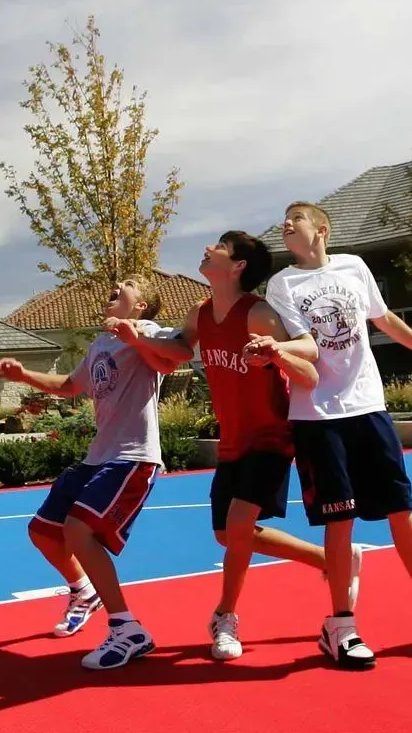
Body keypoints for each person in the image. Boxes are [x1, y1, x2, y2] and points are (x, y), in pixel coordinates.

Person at [249, 201, 412, 669]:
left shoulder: (354, 266)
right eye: (283, 220)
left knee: (400, 508)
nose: (286, 225)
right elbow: (306, 342)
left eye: (296, 219)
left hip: (368, 406)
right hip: (318, 417)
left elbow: (384, 319)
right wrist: (279, 347)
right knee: (339, 519)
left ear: (321, 229)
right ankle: (341, 625)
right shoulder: (283, 283)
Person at [122, 230, 357, 662]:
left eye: (218, 246)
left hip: (270, 435)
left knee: (239, 522)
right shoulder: (201, 312)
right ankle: (328, 560)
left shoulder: (259, 314)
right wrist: (138, 339)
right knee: (227, 534)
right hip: (232, 441)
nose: (207, 248)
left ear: (237, 266)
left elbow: (308, 364)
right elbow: (176, 350)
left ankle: (225, 616)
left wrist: (275, 352)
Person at [0, 275, 177, 670]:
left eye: (128, 284)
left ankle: (127, 629)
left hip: (132, 457)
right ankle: (83, 591)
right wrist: (24, 375)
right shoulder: (100, 344)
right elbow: (69, 384)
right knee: (43, 531)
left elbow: (175, 357)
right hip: (98, 456)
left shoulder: (147, 331)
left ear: (141, 304)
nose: (118, 285)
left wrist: (136, 337)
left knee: (78, 530)